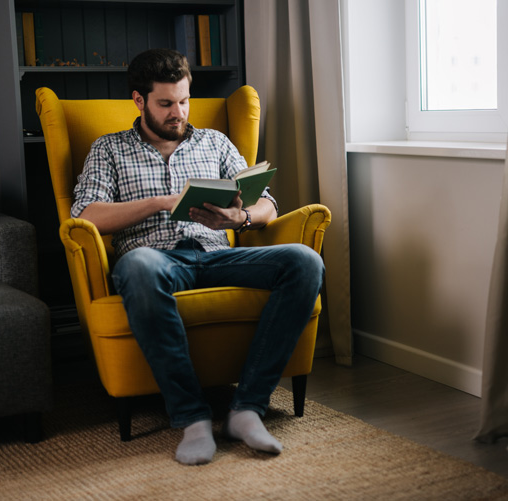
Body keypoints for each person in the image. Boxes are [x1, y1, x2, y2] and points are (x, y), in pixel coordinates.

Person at [71, 48, 325, 465]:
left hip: (216, 256)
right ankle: (192, 419)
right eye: (166, 103)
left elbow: (268, 205)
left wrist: (238, 217)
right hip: (155, 261)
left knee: (304, 262)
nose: (178, 113)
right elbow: (85, 215)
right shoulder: (109, 150)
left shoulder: (216, 143)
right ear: (139, 100)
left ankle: (246, 409)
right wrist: (159, 202)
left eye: (184, 101)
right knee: (136, 266)